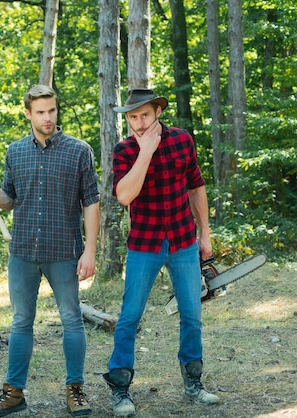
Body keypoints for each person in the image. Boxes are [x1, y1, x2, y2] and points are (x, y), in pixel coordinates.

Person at [0, 84, 100, 418]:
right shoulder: (15, 151)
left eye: (52, 110)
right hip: (23, 250)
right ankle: (13, 393)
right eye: (40, 112)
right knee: (21, 321)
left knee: (72, 319)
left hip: (64, 250)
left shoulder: (79, 151)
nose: (47, 118)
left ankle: (76, 391)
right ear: (28, 113)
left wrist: (90, 251)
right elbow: (9, 199)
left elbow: (92, 203)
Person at [102, 88, 219, 417]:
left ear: (158, 112)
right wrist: (146, 151)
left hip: (183, 241)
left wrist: (205, 234)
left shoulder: (182, 140)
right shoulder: (124, 150)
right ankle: (121, 388)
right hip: (145, 245)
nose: (139, 123)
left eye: (145, 115)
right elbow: (124, 195)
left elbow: (196, 186)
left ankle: (193, 382)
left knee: (192, 316)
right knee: (129, 318)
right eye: (133, 117)